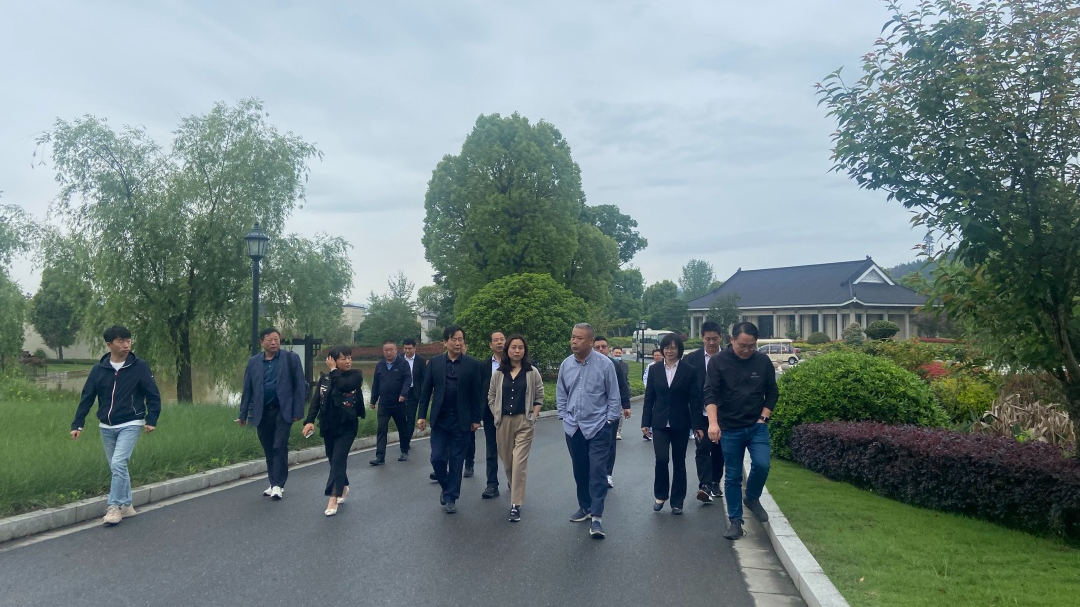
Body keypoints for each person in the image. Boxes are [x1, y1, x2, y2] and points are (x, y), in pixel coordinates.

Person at [70, 326, 162, 526]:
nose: (126, 345)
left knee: (118, 463)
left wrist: (151, 419)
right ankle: (127, 506)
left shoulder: (139, 367)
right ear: (109, 344)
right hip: (106, 426)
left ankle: (114, 507)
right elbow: (87, 397)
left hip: (131, 422)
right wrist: (78, 424)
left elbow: (153, 394)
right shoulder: (99, 370)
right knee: (117, 466)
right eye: (121, 341)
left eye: (128, 340)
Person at [704, 321, 779, 540]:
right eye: (742, 345)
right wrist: (713, 423)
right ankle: (736, 522)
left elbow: (772, 392)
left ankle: (752, 498)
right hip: (729, 427)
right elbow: (710, 393)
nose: (746, 350)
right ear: (732, 340)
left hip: (756, 426)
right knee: (733, 475)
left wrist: (763, 417)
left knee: (763, 464)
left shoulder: (762, 361)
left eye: (751, 346)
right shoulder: (718, 362)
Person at [556, 323, 621, 539]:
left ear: (591, 341)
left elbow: (613, 395)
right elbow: (561, 393)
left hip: (599, 427)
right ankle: (584, 506)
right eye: (572, 337)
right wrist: (563, 416)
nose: (574, 341)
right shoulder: (566, 364)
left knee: (597, 471)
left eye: (579, 338)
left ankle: (597, 517)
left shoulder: (605, 364)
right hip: (574, 427)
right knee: (580, 470)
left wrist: (609, 421)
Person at [417, 325, 483, 514]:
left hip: (461, 421)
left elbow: (476, 394)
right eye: (454, 339)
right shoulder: (435, 363)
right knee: (437, 458)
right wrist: (421, 415)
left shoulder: (472, 364)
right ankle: (446, 487)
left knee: (456, 460)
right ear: (445, 342)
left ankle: (451, 497)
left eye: (460, 339)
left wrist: (476, 419)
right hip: (440, 420)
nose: (457, 343)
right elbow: (426, 392)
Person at [237, 327, 307, 500]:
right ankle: (273, 482)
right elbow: (248, 389)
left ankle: (278, 485)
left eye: (276, 339)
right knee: (268, 447)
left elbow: (300, 386)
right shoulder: (254, 362)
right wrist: (243, 414)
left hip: (283, 411)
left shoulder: (291, 358)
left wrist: (298, 411)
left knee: (279, 445)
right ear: (262, 342)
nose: (274, 343)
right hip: (262, 412)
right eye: (270, 340)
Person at [642, 333, 703, 515]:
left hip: (681, 422)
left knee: (679, 462)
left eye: (674, 348)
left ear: (679, 350)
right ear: (662, 349)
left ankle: (677, 501)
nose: (670, 351)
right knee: (661, 459)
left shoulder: (689, 370)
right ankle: (660, 495)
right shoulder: (654, 370)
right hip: (659, 422)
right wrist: (645, 422)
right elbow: (649, 398)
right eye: (667, 347)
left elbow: (694, 399)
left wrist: (697, 425)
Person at [488, 334, 544, 522]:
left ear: (525, 350)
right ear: (507, 350)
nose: (517, 351)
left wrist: (533, 416)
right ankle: (513, 484)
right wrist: (496, 413)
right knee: (508, 462)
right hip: (503, 422)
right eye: (513, 347)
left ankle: (515, 504)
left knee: (519, 462)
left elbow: (539, 396)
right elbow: (491, 396)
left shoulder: (532, 372)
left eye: (520, 347)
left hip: (524, 422)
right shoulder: (499, 373)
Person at [302, 347, 364, 516]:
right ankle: (342, 485)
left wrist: (334, 370)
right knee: (332, 458)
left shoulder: (355, 376)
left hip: (347, 426)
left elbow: (343, 386)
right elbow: (316, 401)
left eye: (349, 358)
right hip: (329, 426)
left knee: (338, 460)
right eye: (343, 358)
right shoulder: (325, 378)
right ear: (333, 360)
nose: (348, 361)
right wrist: (309, 421)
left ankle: (333, 497)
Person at [683, 321, 726, 505]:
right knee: (702, 448)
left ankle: (715, 481)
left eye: (714, 339)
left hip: (723, 413)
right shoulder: (692, 359)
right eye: (707, 339)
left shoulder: (728, 357)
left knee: (719, 449)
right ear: (702, 338)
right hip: (700, 413)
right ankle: (705, 485)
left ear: (720, 338)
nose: (711, 342)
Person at [467, 331, 504, 498]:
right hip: (490, 414)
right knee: (491, 449)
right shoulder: (483, 366)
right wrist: (476, 415)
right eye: (495, 340)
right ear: (490, 345)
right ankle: (492, 485)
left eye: (502, 339)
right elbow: (477, 391)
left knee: (511, 451)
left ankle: (513, 478)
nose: (499, 342)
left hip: (511, 414)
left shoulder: (514, 363)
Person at [593, 336, 631, 489]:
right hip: (593, 412)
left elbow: (623, 385)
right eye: (597, 347)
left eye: (603, 347)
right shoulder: (587, 365)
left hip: (611, 411)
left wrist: (626, 405)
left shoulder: (614, 365)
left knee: (609, 444)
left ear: (608, 348)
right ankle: (595, 473)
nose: (601, 350)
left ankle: (607, 474)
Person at [369, 340, 412, 465]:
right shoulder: (380, 365)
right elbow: (376, 383)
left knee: (402, 428)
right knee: (381, 429)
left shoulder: (403, 363)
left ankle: (404, 451)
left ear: (396, 350)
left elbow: (408, 380)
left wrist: (403, 394)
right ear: (383, 351)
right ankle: (380, 457)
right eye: (386, 350)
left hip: (399, 403)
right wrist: (373, 400)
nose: (388, 352)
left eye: (391, 350)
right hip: (384, 404)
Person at [402, 338, 427, 440]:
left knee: (411, 417)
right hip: (401, 392)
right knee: (401, 417)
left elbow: (424, 378)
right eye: (405, 348)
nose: (407, 351)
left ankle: (406, 441)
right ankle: (403, 437)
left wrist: (424, 392)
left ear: (415, 348)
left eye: (410, 348)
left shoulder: (420, 360)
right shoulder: (399, 359)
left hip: (413, 392)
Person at [641, 348, 663, 441]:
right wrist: (649, 389)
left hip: (661, 393)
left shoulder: (665, 366)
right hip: (652, 392)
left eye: (659, 355)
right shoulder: (650, 366)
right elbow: (645, 378)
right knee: (650, 410)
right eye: (655, 355)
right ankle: (648, 431)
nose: (657, 357)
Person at [611, 347, 630, 441]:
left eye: (619, 353)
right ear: (612, 353)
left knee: (619, 413)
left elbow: (624, 380)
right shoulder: (609, 363)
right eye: (616, 353)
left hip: (619, 392)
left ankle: (618, 431)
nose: (618, 355)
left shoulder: (625, 365)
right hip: (610, 392)